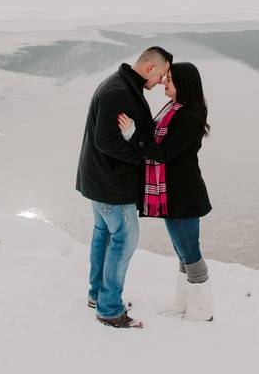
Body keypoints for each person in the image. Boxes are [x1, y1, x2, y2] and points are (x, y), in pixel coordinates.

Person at [76, 46, 172, 329]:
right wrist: (143, 159)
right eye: (162, 74)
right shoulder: (119, 91)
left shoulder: (121, 84)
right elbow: (105, 140)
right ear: (150, 68)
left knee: (103, 234)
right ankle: (109, 309)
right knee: (125, 239)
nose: (161, 82)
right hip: (111, 184)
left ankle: (98, 295)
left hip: (100, 179)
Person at [117, 61, 214, 322]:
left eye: (169, 78)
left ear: (183, 84)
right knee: (182, 252)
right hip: (173, 195)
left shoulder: (189, 116)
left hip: (184, 196)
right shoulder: (174, 108)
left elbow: (163, 153)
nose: (164, 82)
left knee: (190, 253)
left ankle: (202, 310)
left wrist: (133, 135)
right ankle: (183, 304)